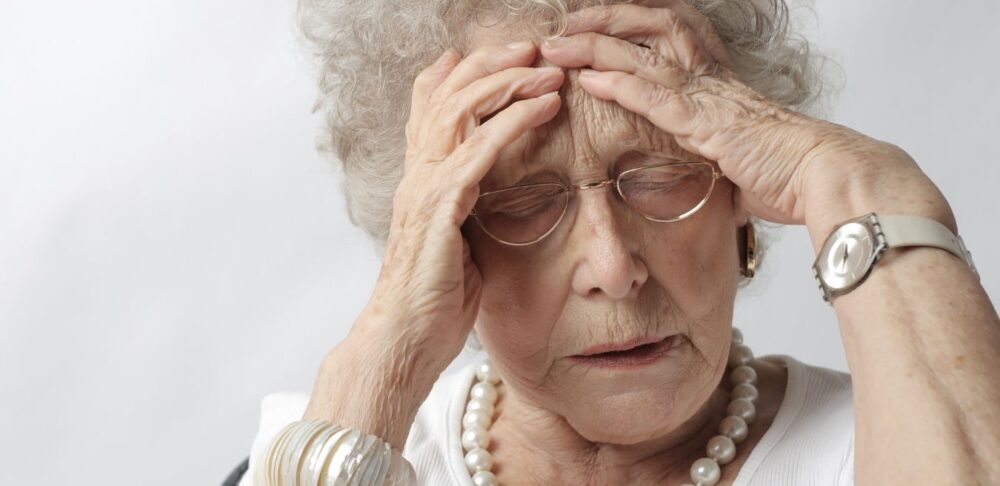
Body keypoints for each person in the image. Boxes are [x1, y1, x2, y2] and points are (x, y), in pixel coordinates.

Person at [233, 1, 1000, 484]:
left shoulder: (886, 438)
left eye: (662, 175)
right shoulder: (331, 449)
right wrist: (385, 354)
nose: (612, 266)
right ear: (444, 241)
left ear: (743, 190)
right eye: (525, 202)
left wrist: (865, 186)